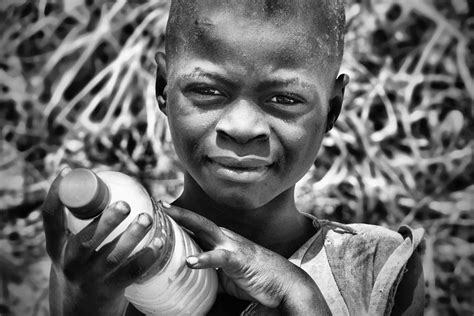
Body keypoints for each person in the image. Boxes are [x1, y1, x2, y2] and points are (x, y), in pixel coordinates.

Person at [41, 0, 425, 315]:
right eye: (208, 91)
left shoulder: (374, 268)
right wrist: (85, 304)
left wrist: (301, 296)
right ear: (164, 88)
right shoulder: (107, 264)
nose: (242, 128)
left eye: (285, 98)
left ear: (332, 108)